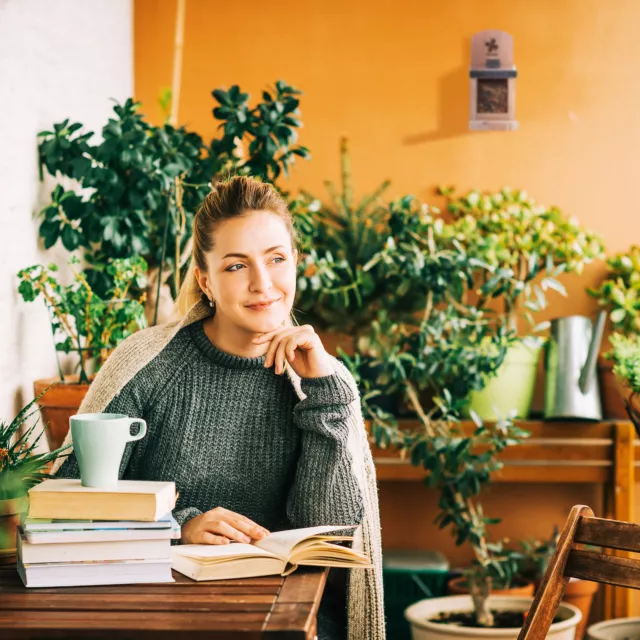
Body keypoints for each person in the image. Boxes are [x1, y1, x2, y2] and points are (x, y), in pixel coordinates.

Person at [53, 175, 385, 640]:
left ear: (296, 263)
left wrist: (323, 396)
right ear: (205, 280)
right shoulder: (146, 363)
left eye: (276, 259)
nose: (262, 283)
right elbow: (66, 504)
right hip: (151, 616)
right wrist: (177, 526)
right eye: (236, 266)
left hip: (280, 619)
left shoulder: (323, 379)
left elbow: (330, 540)